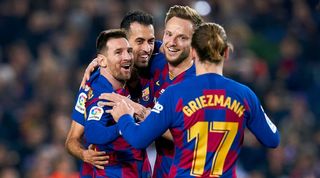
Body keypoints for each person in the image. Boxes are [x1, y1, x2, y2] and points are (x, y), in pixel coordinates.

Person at [107, 22, 281, 178]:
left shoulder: (174, 94)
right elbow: (272, 139)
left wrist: (124, 118)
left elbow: (139, 139)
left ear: (193, 52)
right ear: (226, 52)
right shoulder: (245, 95)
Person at [98, 5, 204, 178]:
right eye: (168, 34)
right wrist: (97, 63)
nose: (171, 42)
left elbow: (190, 138)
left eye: (182, 37)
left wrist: (138, 111)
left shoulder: (197, 84)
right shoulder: (156, 58)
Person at [65, 11, 158, 175]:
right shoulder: (96, 87)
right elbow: (74, 139)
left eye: (150, 41)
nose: (146, 48)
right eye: (139, 42)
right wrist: (84, 154)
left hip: (139, 169)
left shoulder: (152, 67)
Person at [83, 29, 152, 177]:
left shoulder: (119, 86)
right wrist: (123, 124)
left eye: (129, 51)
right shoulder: (103, 96)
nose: (127, 57)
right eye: (118, 52)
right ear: (102, 60)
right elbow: (92, 132)